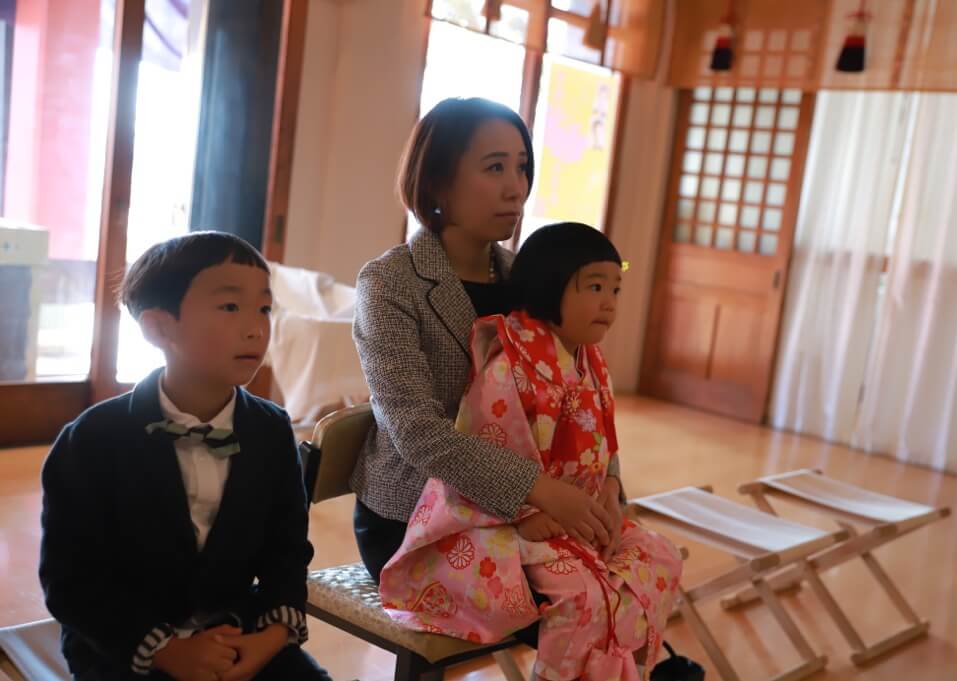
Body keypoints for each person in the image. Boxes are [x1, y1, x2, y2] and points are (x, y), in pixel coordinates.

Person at [379, 223, 683, 681]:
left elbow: (603, 437)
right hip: (498, 520)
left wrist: (611, 488)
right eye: (595, 287)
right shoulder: (510, 365)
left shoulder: (589, 358)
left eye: (615, 289)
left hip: (572, 514)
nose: (609, 303)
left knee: (658, 557)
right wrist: (525, 512)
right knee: (583, 593)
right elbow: (484, 447)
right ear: (549, 286)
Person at [39, 232, 330, 681]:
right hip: (124, 647)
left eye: (265, 308)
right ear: (159, 327)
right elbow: (71, 582)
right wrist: (169, 652)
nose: (256, 327)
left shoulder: (271, 430)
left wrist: (268, 639)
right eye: (231, 307)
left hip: (237, 635)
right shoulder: (92, 439)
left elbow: (286, 552)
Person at [351, 98, 620, 583]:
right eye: (494, 168)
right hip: (416, 519)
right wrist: (539, 489)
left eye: (521, 167)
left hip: (532, 509)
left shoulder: (529, 278)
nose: (516, 187)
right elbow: (417, 433)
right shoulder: (391, 283)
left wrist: (611, 484)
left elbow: (586, 389)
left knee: (630, 569)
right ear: (437, 181)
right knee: (585, 586)